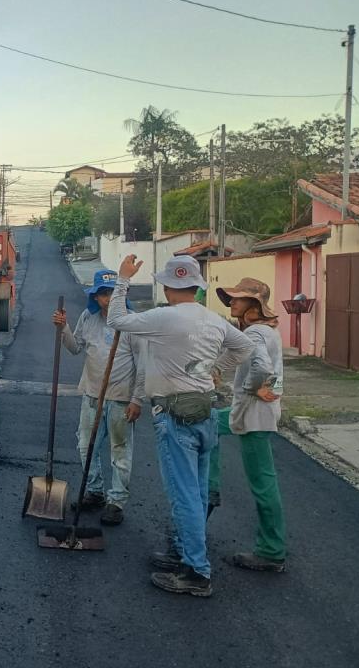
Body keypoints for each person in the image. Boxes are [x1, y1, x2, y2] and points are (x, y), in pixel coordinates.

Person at [108, 254, 254, 598]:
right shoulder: (212, 319)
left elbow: (116, 318)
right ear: (195, 285)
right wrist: (215, 367)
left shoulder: (164, 317)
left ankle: (196, 572)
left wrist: (123, 278)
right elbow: (245, 347)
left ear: (169, 285)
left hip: (175, 416)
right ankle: (185, 554)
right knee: (198, 492)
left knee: (184, 495)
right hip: (204, 412)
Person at [52, 269, 144, 526]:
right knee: (85, 446)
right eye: (103, 293)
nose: (107, 298)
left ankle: (116, 501)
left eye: (112, 293)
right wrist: (63, 328)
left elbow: (143, 364)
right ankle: (95, 491)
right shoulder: (88, 318)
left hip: (121, 398)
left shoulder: (132, 322)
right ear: (95, 296)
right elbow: (74, 348)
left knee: (120, 450)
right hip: (92, 395)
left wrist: (138, 399)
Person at [215, 277, 287, 573]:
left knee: (263, 483)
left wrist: (253, 387)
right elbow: (240, 357)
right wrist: (217, 369)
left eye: (238, 298)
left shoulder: (257, 333)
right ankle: (208, 490)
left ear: (254, 305)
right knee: (207, 424)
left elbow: (261, 368)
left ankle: (271, 550)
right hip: (248, 411)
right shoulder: (262, 332)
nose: (231, 302)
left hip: (254, 415)